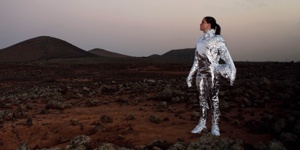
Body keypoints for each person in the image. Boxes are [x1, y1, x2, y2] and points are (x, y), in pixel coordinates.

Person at [186, 16, 236, 136]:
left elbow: (227, 58)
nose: (200, 24)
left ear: (209, 25)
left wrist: (232, 72)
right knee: (202, 99)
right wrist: (190, 75)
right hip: (200, 75)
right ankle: (202, 123)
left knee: (214, 99)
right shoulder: (199, 40)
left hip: (213, 74)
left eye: (202, 22)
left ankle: (215, 125)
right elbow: (196, 60)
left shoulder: (218, 39)